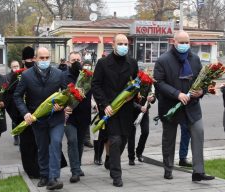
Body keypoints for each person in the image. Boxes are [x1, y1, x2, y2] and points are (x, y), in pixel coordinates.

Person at [153, 30, 215, 181]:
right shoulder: (163, 60)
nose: (184, 45)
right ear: (174, 42)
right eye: (181, 42)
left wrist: (202, 91)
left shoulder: (195, 59)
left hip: (192, 106)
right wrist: (177, 94)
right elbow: (159, 83)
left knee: (198, 133)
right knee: (169, 139)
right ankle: (168, 169)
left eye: (187, 42)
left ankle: (198, 172)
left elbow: (203, 80)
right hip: (171, 107)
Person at [14, 47, 66, 190]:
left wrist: (62, 105)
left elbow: (68, 94)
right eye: (41, 58)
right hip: (38, 119)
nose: (44, 61)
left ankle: (54, 178)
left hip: (56, 118)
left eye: (47, 58)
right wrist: (26, 113)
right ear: (35, 59)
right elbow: (17, 96)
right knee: (42, 147)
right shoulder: (26, 76)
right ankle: (44, 175)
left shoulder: (59, 74)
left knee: (55, 143)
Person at [92, 34, 138, 187]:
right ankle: (116, 174)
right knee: (115, 140)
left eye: (126, 43)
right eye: (120, 43)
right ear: (113, 45)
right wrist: (104, 105)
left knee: (123, 139)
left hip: (126, 109)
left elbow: (137, 84)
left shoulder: (132, 63)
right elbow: (96, 85)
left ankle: (111, 160)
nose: (124, 46)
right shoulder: (103, 63)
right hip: (110, 109)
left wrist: (136, 95)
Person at [5, 46, 40, 179]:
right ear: (23, 60)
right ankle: (31, 170)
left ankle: (41, 167)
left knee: (39, 143)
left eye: (33, 58)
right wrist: (18, 115)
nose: (31, 61)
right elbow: (9, 96)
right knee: (27, 144)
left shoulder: (39, 71)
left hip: (39, 115)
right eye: (28, 59)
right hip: (23, 116)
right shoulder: (17, 75)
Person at [64, 51, 92, 183]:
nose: (76, 62)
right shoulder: (63, 76)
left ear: (81, 61)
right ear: (69, 62)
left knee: (80, 143)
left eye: (78, 59)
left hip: (83, 115)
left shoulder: (88, 76)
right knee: (72, 141)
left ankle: (78, 166)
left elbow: (94, 91)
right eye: (73, 60)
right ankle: (75, 171)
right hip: (69, 116)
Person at [127, 92, 155, 165]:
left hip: (144, 111)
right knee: (131, 135)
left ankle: (139, 152)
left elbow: (153, 95)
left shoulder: (149, 81)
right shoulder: (133, 82)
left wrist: (152, 99)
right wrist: (139, 107)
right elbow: (128, 100)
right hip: (132, 111)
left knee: (146, 132)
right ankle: (131, 157)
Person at [5, 60, 20, 145]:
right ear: (11, 68)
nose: (16, 68)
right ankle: (16, 136)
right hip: (12, 102)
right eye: (14, 66)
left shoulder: (23, 74)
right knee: (15, 120)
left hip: (21, 100)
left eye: (17, 66)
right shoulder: (8, 77)